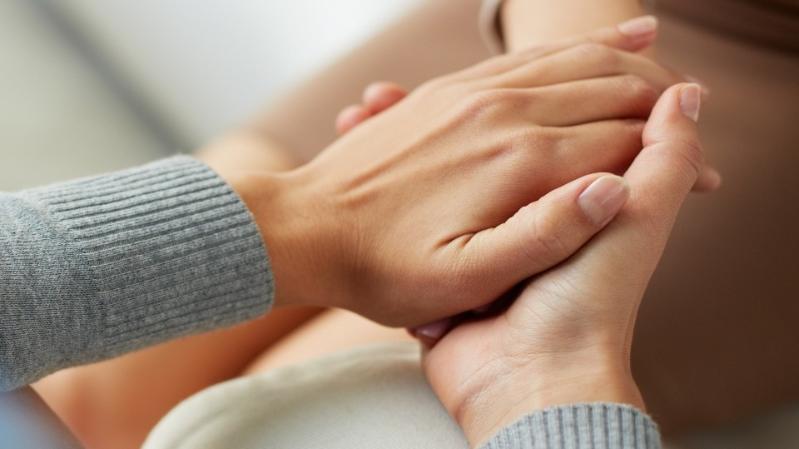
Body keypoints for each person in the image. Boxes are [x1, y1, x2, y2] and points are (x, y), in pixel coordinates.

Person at [34, 0, 799, 446]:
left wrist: (547, 372)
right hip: (560, 26)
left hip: (772, 113)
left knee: (269, 429)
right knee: (67, 404)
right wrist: (556, 82)